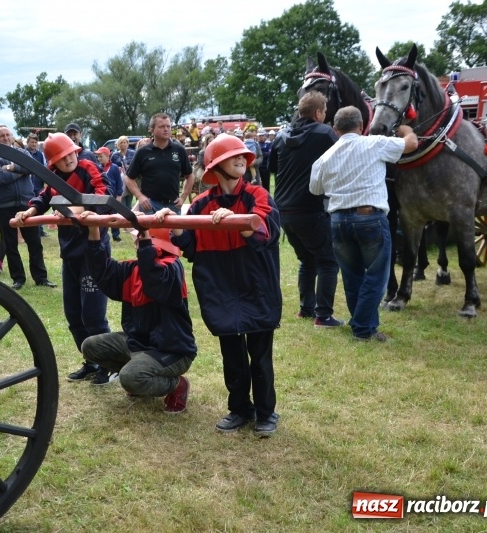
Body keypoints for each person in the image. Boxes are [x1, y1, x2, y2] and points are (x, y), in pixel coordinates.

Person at [160, 133, 282, 437]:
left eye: (243, 155)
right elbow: (189, 244)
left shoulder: (258, 195)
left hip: (257, 287)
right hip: (220, 289)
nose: (242, 158)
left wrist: (239, 221)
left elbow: (267, 233)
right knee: (233, 357)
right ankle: (239, 409)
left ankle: (266, 413)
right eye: (233, 156)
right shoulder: (201, 204)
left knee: (260, 357)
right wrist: (173, 226)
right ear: (217, 166)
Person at [309, 106, 418, 342]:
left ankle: (365, 327)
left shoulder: (324, 158)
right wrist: (406, 129)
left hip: (338, 220)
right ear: (361, 126)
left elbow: (315, 189)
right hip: (370, 217)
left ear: (335, 130)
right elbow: (411, 145)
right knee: (376, 277)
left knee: (352, 276)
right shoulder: (374, 143)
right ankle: (362, 328)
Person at [14, 133, 113, 385]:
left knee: (93, 314)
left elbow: (104, 194)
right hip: (70, 251)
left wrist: (79, 209)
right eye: (61, 157)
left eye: (70, 153)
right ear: (52, 163)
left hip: (93, 249)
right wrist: (30, 211)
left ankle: (109, 364)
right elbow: (44, 197)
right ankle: (90, 361)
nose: (68, 159)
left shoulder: (87, 167)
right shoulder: (54, 178)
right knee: (74, 314)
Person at [81, 220, 196, 413]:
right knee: (91, 347)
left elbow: (154, 283)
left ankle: (176, 385)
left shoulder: (172, 269)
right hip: (139, 344)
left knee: (130, 378)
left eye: (140, 239)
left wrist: (145, 246)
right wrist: (94, 233)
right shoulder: (133, 270)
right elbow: (102, 272)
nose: (135, 243)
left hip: (172, 350)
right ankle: (140, 375)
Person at [268, 92, 343, 328]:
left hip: (284, 211)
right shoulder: (325, 133)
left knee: (306, 260)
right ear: (319, 113)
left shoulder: (280, 137)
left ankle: (306, 309)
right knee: (328, 261)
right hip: (312, 208)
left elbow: (272, 169)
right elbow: (342, 159)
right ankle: (323, 315)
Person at [0, 125, 55, 290]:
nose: (6, 138)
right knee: (11, 245)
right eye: (1, 136)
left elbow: (30, 167)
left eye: (8, 134)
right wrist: (21, 171)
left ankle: (41, 278)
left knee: (34, 242)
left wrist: (10, 168)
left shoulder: (22, 153)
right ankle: (18, 279)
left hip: (26, 204)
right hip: (4, 206)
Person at [125, 113, 194, 214]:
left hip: (173, 205)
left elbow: (190, 176)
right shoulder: (143, 152)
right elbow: (129, 178)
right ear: (152, 130)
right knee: (149, 231)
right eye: (162, 126)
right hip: (149, 205)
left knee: (174, 231)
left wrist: (183, 197)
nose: (166, 129)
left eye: (168, 126)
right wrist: (140, 197)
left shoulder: (179, 150)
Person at [94, 146, 124, 242]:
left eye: (101, 156)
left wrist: (119, 195)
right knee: (102, 216)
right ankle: (103, 233)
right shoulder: (98, 168)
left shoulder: (114, 168)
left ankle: (116, 235)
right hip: (102, 197)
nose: (99, 159)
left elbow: (119, 182)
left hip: (113, 196)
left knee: (114, 216)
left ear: (107, 156)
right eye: (97, 157)